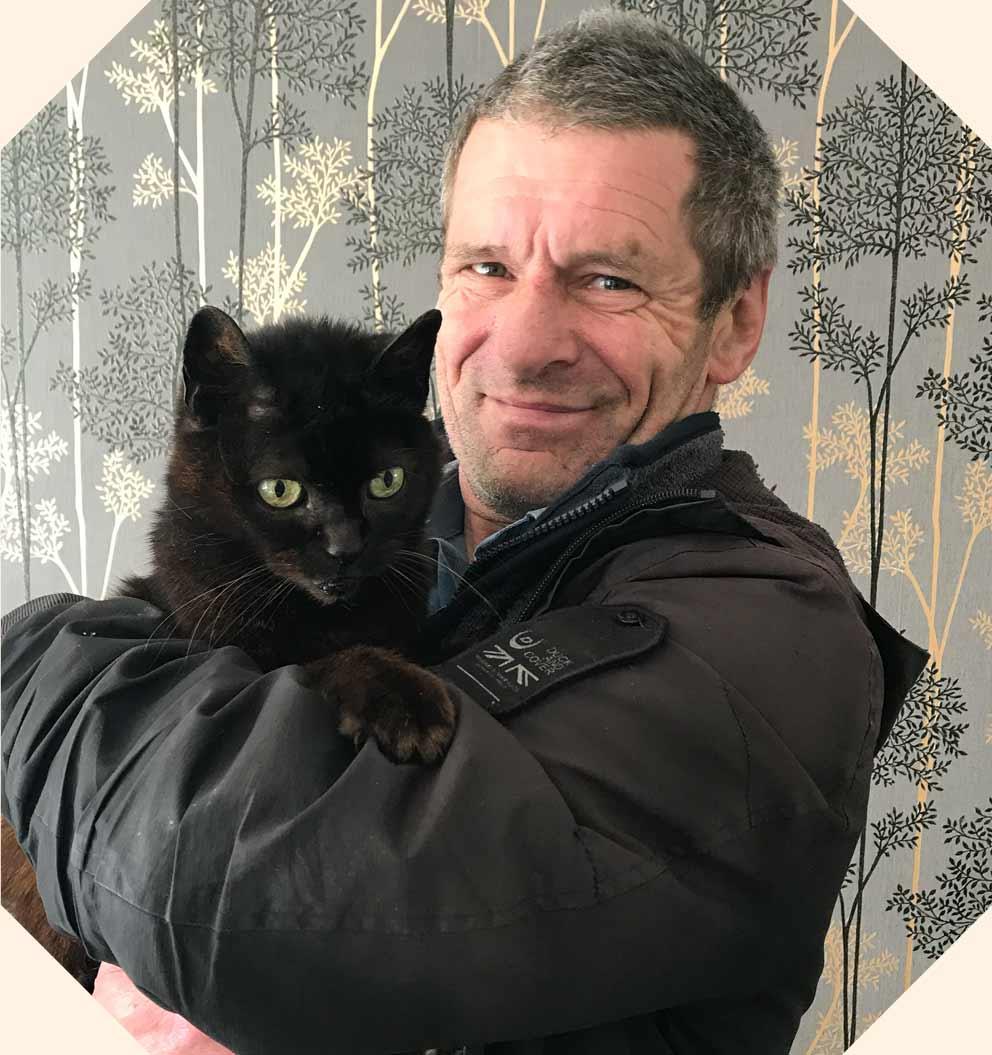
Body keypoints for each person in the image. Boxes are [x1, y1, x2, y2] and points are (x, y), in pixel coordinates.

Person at [1, 11, 928, 1055]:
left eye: (607, 278)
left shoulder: (771, 630)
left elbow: (233, 897)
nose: (524, 343)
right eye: (486, 266)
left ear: (735, 321)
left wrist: (34, 653)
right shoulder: (402, 517)